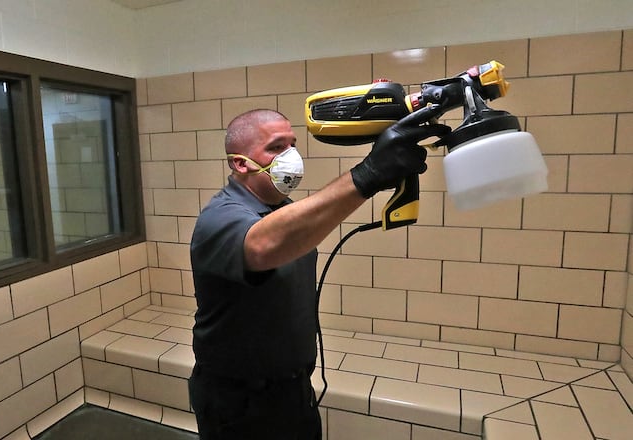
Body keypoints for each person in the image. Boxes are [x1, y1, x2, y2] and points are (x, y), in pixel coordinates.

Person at [188, 106, 449, 439]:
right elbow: (263, 246)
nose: (291, 156)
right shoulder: (219, 216)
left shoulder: (284, 209)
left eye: (292, 144)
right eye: (276, 147)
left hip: (294, 389)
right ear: (241, 163)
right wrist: (368, 173)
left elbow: (303, 222)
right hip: (239, 402)